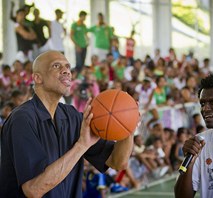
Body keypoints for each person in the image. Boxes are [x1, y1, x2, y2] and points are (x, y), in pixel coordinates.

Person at [0, 51, 134, 197]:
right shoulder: (22, 119)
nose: (66, 71)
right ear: (37, 78)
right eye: (56, 66)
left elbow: (117, 162)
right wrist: (81, 146)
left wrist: (128, 127)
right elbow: (33, 190)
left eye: (68, 67)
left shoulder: (72, 116)